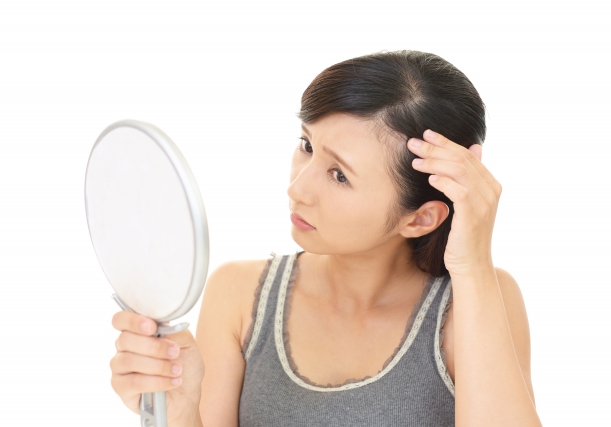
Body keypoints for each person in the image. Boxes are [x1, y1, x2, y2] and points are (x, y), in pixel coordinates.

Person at [109, 50, 542, 426]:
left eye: (339, 175)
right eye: (306, 145)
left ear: (419, 218)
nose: (297, 187)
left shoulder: (477, 300)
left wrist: (473, 265)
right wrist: (180, 411)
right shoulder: (239, 295)